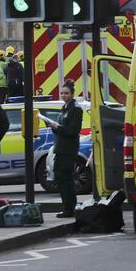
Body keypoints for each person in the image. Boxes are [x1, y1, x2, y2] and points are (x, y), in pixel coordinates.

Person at [46, 81, 84, 218]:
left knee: (66, 179)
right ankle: (67, 207)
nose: (63, 95)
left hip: (69, 149)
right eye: (62, 93)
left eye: (66, 93)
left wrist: (58, 128)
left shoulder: (75, 109)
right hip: (60, 148)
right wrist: (53, 127)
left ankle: (69, 208)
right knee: (60, 178)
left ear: (72, 94)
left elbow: (73, 131)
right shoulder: (65, 108)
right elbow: (62, 131)